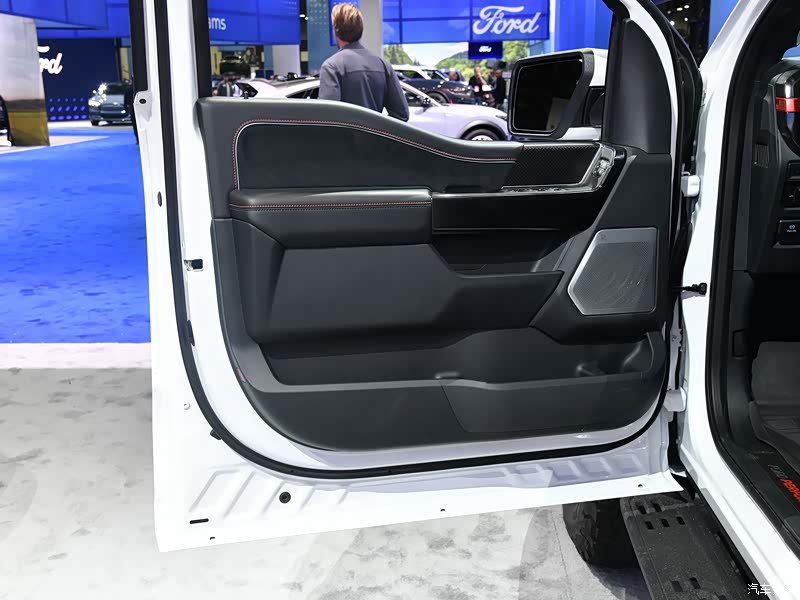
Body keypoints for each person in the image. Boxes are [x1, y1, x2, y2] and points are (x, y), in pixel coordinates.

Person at [319, 3, 409, 121]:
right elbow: (402, 114)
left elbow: (327, 118)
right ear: (360, 29)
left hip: (345, 133)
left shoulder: (331, 67)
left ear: (336, 31)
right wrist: (376, 127)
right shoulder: (383, 65)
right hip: (374, 133)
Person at [123, 80, 138, 145]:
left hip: (132, 110)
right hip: (136, 109)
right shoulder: (137, 89)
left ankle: (137, 139)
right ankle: (139, 139)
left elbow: (125, 101)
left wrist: (126, 110)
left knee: (135, 125)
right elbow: (125, 100)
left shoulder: (128, 89)